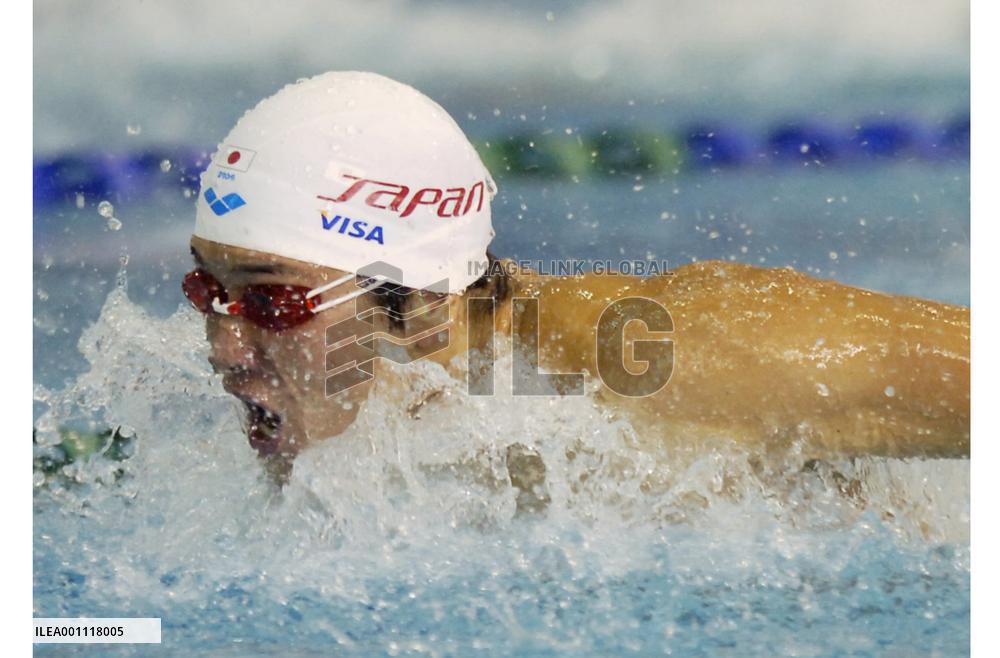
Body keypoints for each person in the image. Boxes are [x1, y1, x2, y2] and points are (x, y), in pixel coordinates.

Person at [185, 71, 969, 486]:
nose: (224, 346)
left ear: (415, 292)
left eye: (272, 300)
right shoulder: (399, 432)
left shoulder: (666, 363)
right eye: (207, 292)